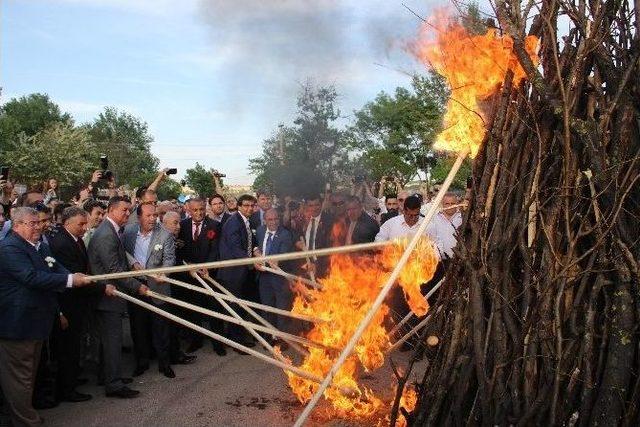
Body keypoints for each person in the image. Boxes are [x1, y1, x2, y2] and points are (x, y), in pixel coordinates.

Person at [0, 207, 91, 426]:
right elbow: (31, 277)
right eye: (32, 223)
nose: (38, 227)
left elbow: (54, 267)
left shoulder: (37, 246)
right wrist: (70, 281)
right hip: (17, 325)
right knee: (19, 379)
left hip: (35, 324)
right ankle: (26, 421)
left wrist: (73, 275)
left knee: (27, 376)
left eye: (39, 223)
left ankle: (21, 416)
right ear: (17, 225)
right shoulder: (9, 248)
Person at [88, 196, 148, 399]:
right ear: (111, 210)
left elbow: (120, 262)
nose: (127, 214)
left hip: (111, 294)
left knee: (109, 341)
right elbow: (115, 270)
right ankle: (113, 384)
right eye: (124, 210)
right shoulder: (106, 234)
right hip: (108, 297)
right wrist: (138, 286)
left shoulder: (112, 230)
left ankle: (107, 376)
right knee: (112, 342)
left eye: (129, 210)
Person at [47, 207, 97, 403]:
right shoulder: (61, 244)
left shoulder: (74, 239)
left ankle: (71, 379)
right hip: (67, 304)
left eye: (85, 224)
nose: (85, 228)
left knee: (73, 346)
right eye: (81, 224)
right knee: (67, 349)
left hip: (77, 303)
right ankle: (66, 389)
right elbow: (73, 276)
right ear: (67, 223)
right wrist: (101, 288)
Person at [123, 203, 177, 379]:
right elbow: (121, 251)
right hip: (135, 287)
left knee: (161, 328)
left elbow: (170, 259)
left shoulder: (165, 235)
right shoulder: (128, 232)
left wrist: (163, 272)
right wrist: (132, 263)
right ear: (139, 217)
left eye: (155, 215)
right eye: (148, 216)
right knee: (138, 327)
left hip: (158, 287)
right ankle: (141, 362)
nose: (153, 219)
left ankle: (164, 363)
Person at [176, 198, 225, 355]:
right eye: (195, 210)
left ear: (205, 208)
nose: (199, 213)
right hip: (190, 275)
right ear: (189, 210)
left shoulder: (214, 226)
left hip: (208, 274)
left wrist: (207, 266)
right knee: (193, 308)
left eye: (201, 209)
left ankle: (218, 343)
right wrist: (188, 266)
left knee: (214, 308)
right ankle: (195, 340)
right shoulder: (182, 225)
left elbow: (215, 250)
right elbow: (179, 249)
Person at [217, 194, 258, 349]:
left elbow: (249, 241)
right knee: (234, 306)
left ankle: (238, 335)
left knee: (239, 305)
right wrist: (251, 263)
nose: (249, 208)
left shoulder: (246, 221)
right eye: (246, 205)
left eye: (251, 206)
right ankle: (237, 342)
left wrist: (255, 249)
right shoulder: (234, 222)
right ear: (239, 206)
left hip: (241, 270)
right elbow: (235, 248)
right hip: (233, 272)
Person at [254, 209, 294, 339]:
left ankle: (282, 339)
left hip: (279, 279)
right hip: (264, 278)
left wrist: (277, 259)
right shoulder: (260, 231)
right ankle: (269, 336)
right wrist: (256, 256)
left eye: (276, 219)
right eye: (270, 220)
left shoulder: (285, 234)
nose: (274, 222)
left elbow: (283, 253)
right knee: (267, 308)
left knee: (281, 310)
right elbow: (256, 247)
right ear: (265, 220)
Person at [297, 195, 334, 278]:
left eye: (317, 205)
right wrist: (297, 242)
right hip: (305, 267)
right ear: (306, 207)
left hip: (323, 269)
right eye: (311, 205)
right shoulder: (302, 220)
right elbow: (296, 235)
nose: (314, 208)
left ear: (321, 204)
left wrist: (316, 264)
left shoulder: (329, 221)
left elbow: (330, 247)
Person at [426, 192, 462, 259]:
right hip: (441, 261)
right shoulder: (434, 218)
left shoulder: (462, 218)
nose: (450, 206)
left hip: (460, 260)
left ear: (457, 204)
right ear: (442, 204)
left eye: (452, 203)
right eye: (447, 204)